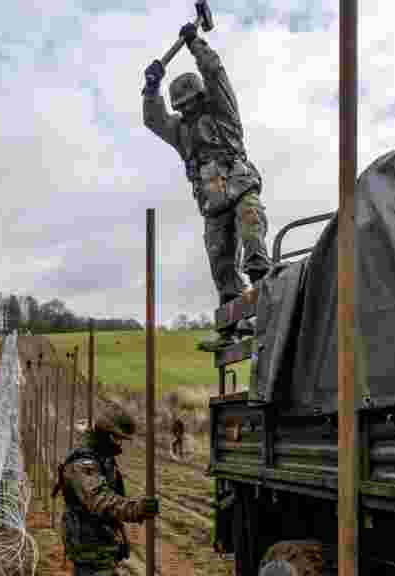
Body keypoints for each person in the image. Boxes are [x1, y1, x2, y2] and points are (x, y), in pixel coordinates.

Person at [142, 21, 272, 352]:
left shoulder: (223, 112)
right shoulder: (179, 131)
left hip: (241, 189)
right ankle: (232, 327)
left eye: (191, 101)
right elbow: (153, 119)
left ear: (201, 96)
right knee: (220, 263)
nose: (187, 108)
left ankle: (269, 303)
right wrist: (151, 89)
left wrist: (194, 44)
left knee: (252, 233)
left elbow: (215, 72)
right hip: (212, 205)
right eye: (181, 105)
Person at [52, 405, 160, 575]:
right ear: (106, 434)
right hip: (88, 548)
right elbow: (100, 500)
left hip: (100, 545)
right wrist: (135, 508)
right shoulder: (83, 463)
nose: (119, 444)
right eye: (117, 439)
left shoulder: (102, 456)